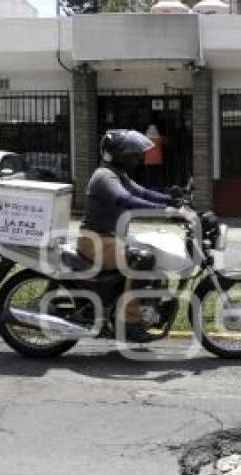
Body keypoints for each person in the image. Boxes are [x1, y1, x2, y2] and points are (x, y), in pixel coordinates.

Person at [77, 129, 176, 342]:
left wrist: (172, 199)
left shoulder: (119, 175)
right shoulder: (104, 176)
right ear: (118, 155)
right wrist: (161, 210)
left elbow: (142, 193)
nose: (137, 158)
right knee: (141, 258)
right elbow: (125, 200)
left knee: (150, 250)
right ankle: (128, 323)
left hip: (109, 239)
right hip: (95, 241)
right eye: (132, 154)